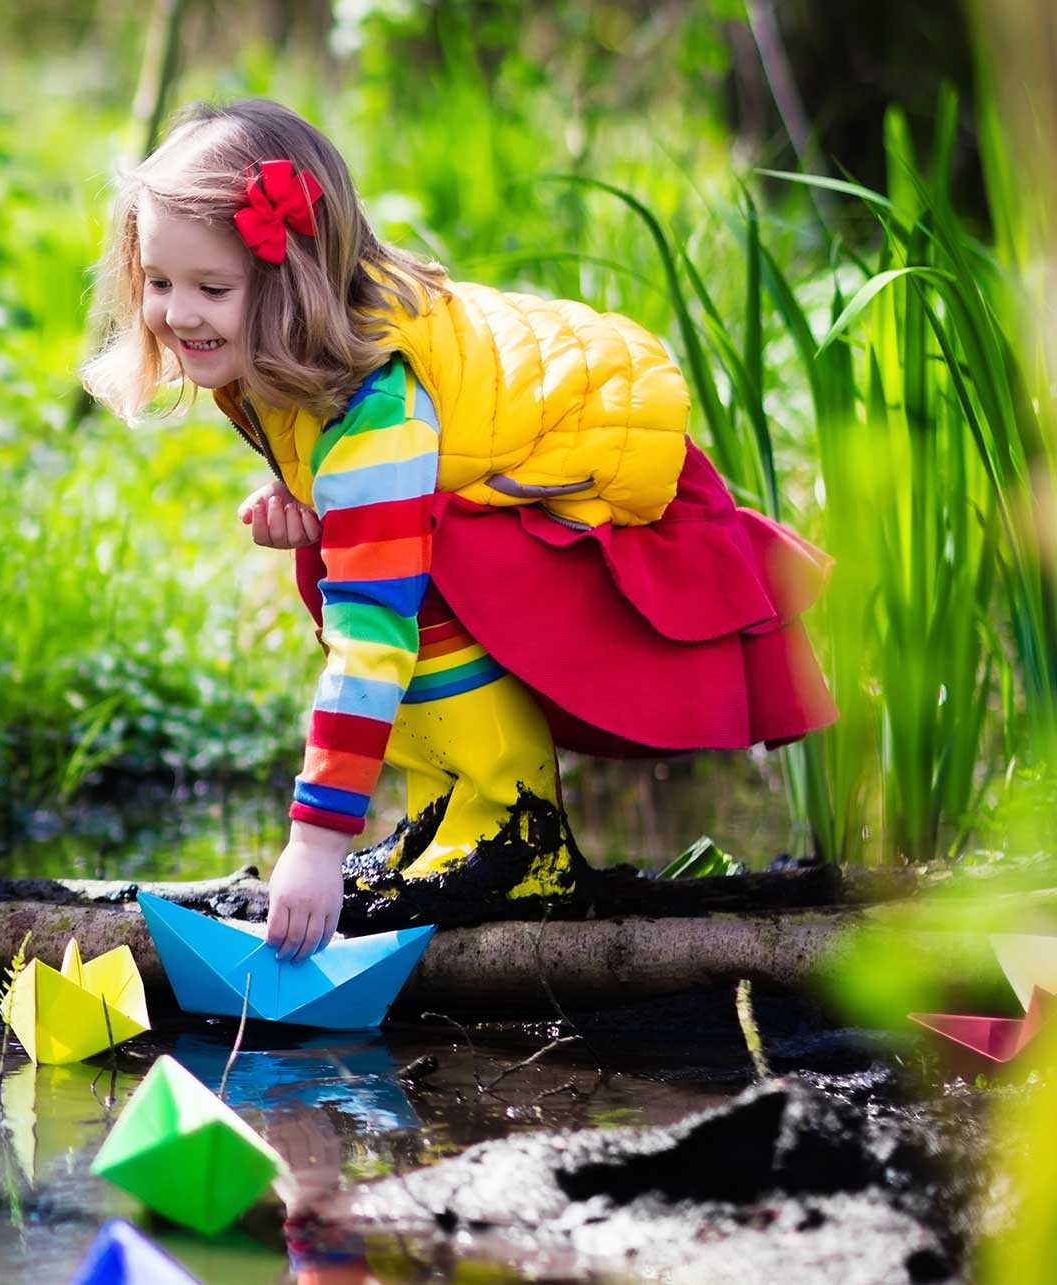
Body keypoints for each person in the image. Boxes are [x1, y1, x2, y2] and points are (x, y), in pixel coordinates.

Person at [83, 100, 834, 958]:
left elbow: (374, 633)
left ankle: (515, 829)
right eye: (160, 283)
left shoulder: (378, 407)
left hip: (591, 470)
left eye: (212, 288)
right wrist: (304, 496)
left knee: (403, 577)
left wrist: (317, 842)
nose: (179, 315)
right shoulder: (270, 350)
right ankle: (447, 813)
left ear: (294, 284)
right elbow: (337, 467)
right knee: (351, 554)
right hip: (491, 462)